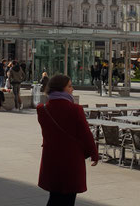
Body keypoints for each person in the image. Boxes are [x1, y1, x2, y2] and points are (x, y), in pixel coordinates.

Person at [36, 74, 98, 206]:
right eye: (69, 86)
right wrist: (93, 153)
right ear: (61, 89)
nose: (72, 89)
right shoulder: (75, 109)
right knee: (68, 199)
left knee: (54, 197)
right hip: (71, 160)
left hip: (51, 159)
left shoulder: (42, 109)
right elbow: (86, 134)